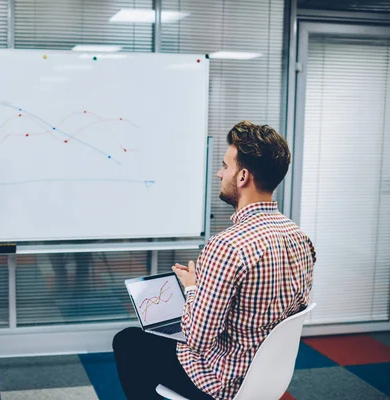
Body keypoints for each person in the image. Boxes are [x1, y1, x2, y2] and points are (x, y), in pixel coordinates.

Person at [112, 121, 316, 400]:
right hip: (268, 376)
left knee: (128, 341)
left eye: (225, 166)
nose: (220, 173)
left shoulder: (227, 245)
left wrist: (194, 288)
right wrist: (203, 284)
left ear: (243, 176)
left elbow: (197, 339)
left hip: (222, 380)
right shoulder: (299, 237)